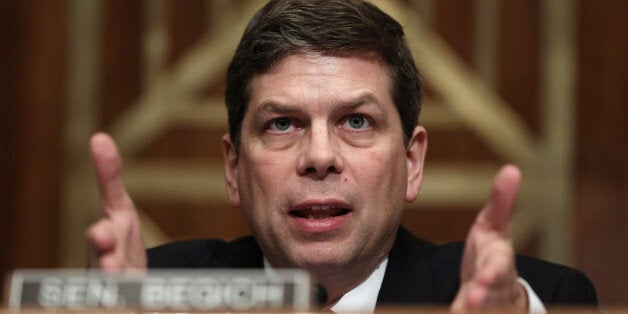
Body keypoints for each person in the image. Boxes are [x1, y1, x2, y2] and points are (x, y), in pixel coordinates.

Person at [86, 0, 597, 312]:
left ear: (412, 162)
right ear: (234, 168)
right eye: (282, 123)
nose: (320, 156)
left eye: (357, 121)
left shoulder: (544, 297)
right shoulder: (155, 294)